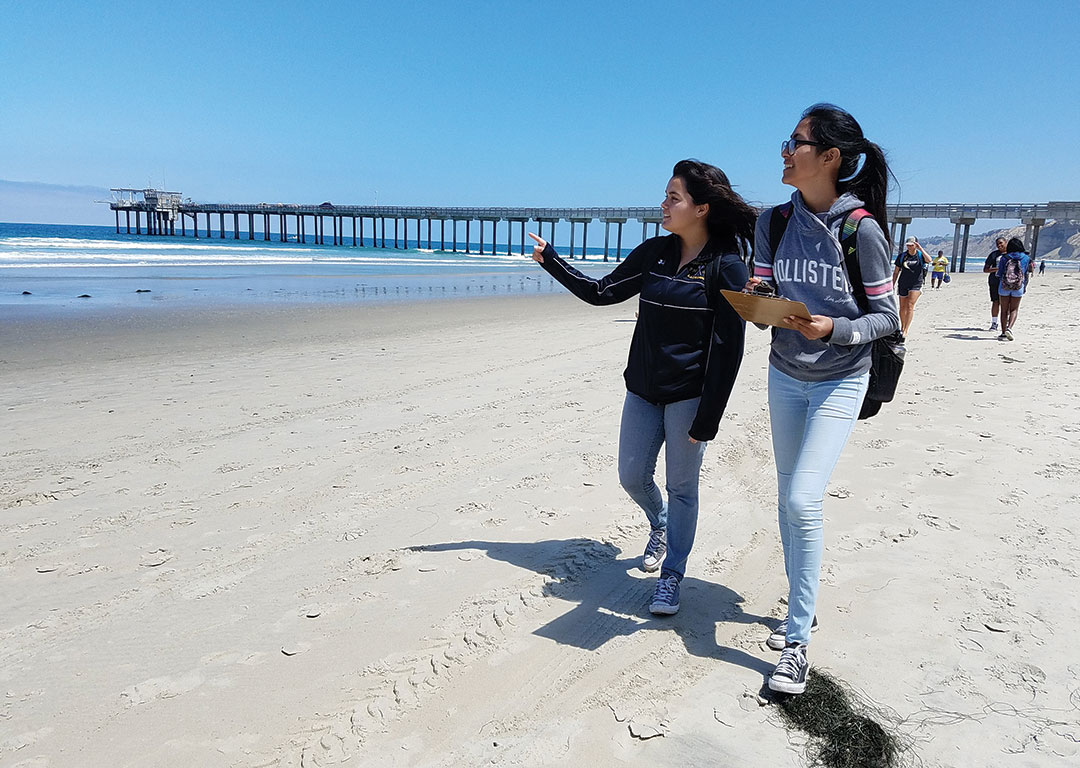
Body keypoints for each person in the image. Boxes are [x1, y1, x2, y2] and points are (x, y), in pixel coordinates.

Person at [528, 159, 754, 616]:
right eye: (666, 195)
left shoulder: (726, 267)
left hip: (690, 397)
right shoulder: (655, 252)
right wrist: (551, 260)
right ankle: (659, 523)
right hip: (642, 389)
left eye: (674, 197)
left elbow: (729, 348)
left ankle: (672, 574)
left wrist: (709, 417)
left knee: (683, 487)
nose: (663, 204)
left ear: (702, 208)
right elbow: (601, 292)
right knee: (631, 475)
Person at [748, 104, 900, 695]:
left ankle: (796, 644)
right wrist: (757, 299)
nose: (785, 152)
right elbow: (765, 286)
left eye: (796, 142)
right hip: (784, 371)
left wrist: (831, 329)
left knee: (805, 498)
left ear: (830, 157)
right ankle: (801, 610)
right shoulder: (773, 221)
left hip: (841, 374)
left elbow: (886, 318)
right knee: (788, 495)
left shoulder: (861, 229)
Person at [892, 236, 930, 335]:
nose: (909, 247)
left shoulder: (920, 255)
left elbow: (929, 260)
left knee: (910, 305)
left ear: (915, 245)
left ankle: (906, 330)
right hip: (903, 283)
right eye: (908, 245)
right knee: (902, 307)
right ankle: (902, 326)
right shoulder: (902, 256)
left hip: (916, 283)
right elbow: (896, 272)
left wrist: (920, 249)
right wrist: (892, 284)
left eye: (911, 245)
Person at [995, 237, 1032, 341]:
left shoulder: (1004, 257)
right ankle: (1009, 328)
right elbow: (1026, 272)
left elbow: (1000, 273)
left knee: (1004, 310)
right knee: (1014, 309)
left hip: (1004, 286)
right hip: (1018, 286)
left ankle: (1003, 333)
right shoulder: (1025, 258)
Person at [984, 237, 1007, 331]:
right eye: (997, 244)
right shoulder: (994, 255)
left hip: (1008, 281)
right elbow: (986, 269)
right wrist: (998, 269)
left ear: (1006, 242)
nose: (999, 245)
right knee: (995, 301)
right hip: (995, 281)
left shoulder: (1011, 254)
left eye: (1001, 243)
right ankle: (994, 323)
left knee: (1006, 303)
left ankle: (1006, 323)